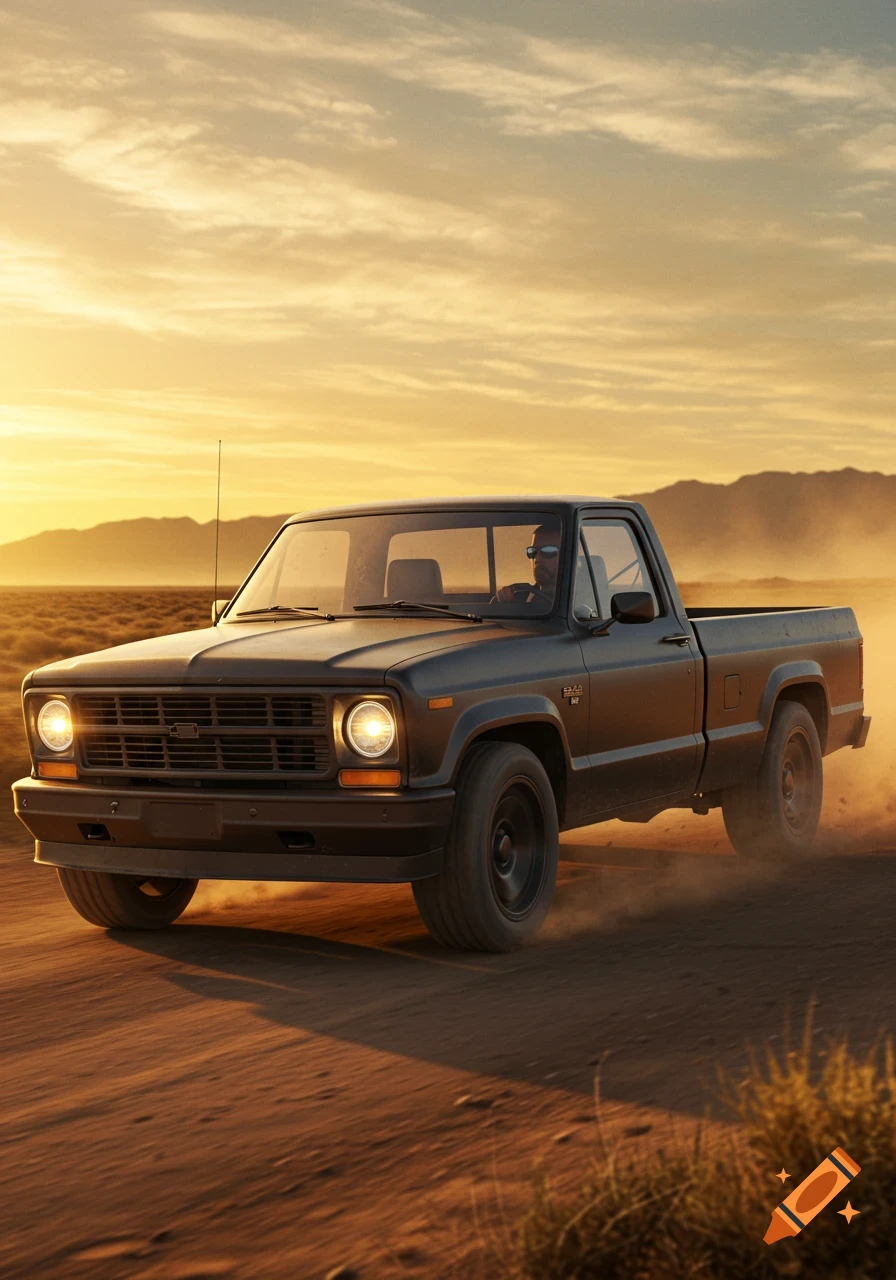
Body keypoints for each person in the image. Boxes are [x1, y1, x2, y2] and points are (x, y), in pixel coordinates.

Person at [495, 523, 561, 606]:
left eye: (548, 551)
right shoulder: (522, 595)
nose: (537, 559)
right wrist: (503, 600)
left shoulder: (576, 600)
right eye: (532, 551)